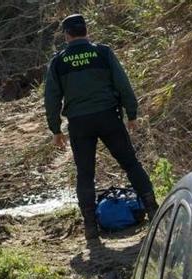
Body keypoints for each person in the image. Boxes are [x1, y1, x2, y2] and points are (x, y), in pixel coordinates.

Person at [44, 14, 158, 241]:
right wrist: (132, 114)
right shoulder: (102, 53)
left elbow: (51, 98)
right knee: (130, 163)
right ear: (86, 31)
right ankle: (153, 210)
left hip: (79, 124)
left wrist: (55, 129)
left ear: (67, 35)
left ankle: (90, 227)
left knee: (85, 174)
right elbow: (123, 84)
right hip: (108, 117)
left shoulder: (58, 62)